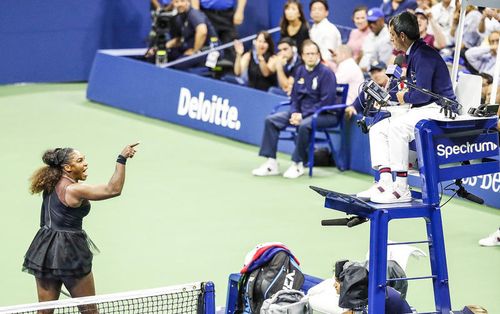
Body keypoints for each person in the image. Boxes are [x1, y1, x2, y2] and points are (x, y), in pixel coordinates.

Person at [356, 11, 456, 203]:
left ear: (402, 36)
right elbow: (412, 93)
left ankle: (402, 188)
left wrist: (403, 97)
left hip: (440, 109)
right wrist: (389, 97)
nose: (391, 39)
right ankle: (385, 181)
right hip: (423, 108)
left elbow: (422, 94)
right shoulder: (413, 53)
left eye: (392, 35)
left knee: (396, 128)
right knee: (378, 127)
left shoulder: (424, 56)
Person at [23, 144, 139, 307]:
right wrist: (122, 159)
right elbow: (113, 189)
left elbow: (46, 218)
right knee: (89, 311)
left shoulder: (50, 183)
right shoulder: (74, 190)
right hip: (70, 253)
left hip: (44, 250)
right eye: (80, 160)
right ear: (67, 167)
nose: (85, 163)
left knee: (44, 311)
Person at [251, 40, 338, 179]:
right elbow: (295, 98)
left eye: (313, 54)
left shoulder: (326, 73)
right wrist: (295, 112)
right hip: (301, 113)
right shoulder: (300, 71)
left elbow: (326, 102)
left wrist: (302, 115)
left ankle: (297, 164)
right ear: (302, 56)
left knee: (304, 125)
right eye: (307, 54)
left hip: (324, 114)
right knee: (271, 120)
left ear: (318, 55)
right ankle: (271, 163)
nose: (310, 56)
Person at [359, 7, 393, 72]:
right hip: (361, 71)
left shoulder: (388, 36)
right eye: (369, 22)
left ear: (382, 20)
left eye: (374, 22)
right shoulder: (369, 36)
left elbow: (383, 64)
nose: (371, 25)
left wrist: (367, 69)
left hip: (375, 73)